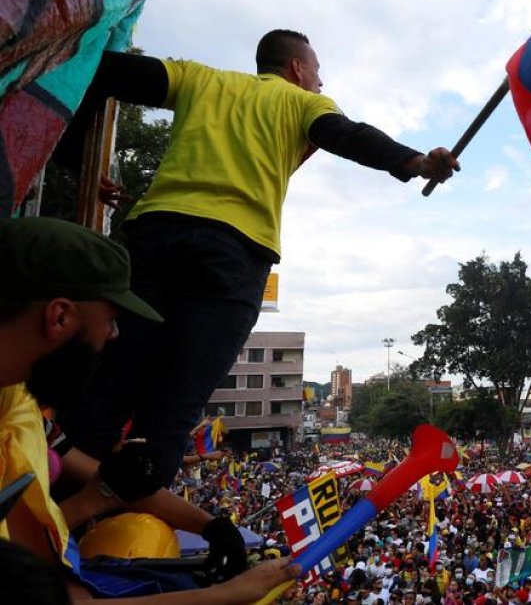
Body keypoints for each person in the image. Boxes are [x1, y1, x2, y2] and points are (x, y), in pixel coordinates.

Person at [54, 29, 460, 488]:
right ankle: (114, 536)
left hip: (155, 237)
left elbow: (98, 68)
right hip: (233, 255)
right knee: (172, 408)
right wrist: (415, 162)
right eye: (318, 72)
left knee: (109, 387)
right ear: (296, 69)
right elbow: (347, 135)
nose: (322, 85)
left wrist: (75, 160)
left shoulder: (198, 78)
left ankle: (52, 514)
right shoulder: (302, 102)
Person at [0, 216, 301, 602]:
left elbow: (115, 481)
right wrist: (229, 595)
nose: (115, 335)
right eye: (111, 320)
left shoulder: (18, 402)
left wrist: (212, 526)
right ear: (59, 316)